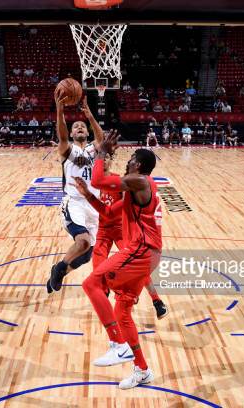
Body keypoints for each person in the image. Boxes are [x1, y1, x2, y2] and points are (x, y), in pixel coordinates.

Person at [80, 131, 162, 389]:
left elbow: (98, 178)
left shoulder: (138, 181)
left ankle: (118, 344)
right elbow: (106, 212)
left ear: (137, 164)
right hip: (148, 254)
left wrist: (101, 151)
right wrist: (88, 196)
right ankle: (142, 369)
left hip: (142, 250)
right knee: (122, 311)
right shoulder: (135, 188)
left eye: (131, 158)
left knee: (92, 284)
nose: (127, 161)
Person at [72, 155, 168, 320]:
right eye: (100, 158)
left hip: (120, 229)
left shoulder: (122, 181)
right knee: (99, 271)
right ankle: (118, 304)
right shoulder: (92, 182)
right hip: (102, 230)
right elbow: (104, 211)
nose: (103, 161)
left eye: (107, 157)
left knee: (136, 266)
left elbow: (118, 208)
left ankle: (156, 300)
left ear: (110, 160)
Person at [46, 92, 104, 293]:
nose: (79, 127)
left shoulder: (92, 150)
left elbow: (102, 140)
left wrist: (89, 116)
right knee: (83, 241)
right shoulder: (67, 149)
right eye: (75, 127)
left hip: (93, 205)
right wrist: (60, 110)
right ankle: (59, 268)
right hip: (74, 202)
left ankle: (60, 270)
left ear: (86, 132)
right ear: (71, 134)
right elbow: (61, 135)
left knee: (86, 255)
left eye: (82, 126)